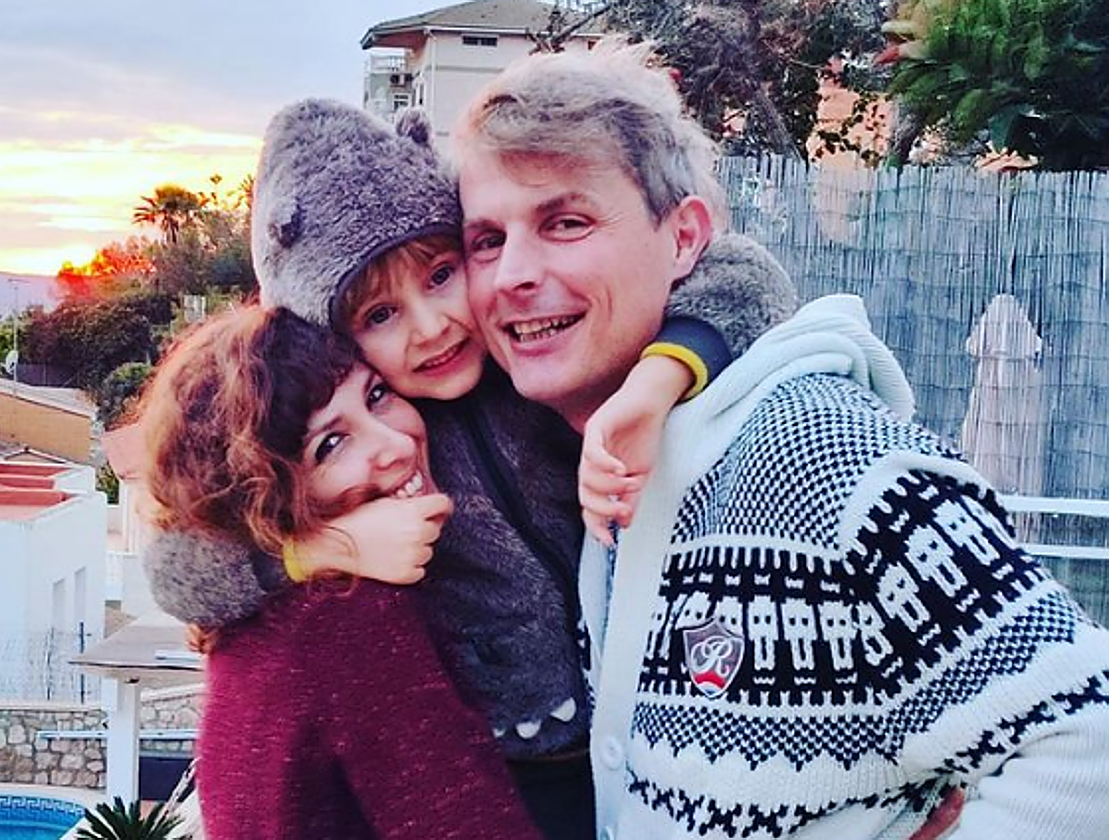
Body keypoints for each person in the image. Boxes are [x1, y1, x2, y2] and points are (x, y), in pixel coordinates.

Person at [451, 38, 1109, 839]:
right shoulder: (599, 461)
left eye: (566, 222)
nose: (512, 273)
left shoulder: (812, 450)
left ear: (684, 238)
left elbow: (1088, 741)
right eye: (486, 240)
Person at [142, 98, 782, 840]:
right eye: (379, 316)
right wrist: (325, 548)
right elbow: (175, 569)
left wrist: (655, 381)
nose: (432, 326)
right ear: (334, 340)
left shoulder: (537, 355)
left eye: (442, 275)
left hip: (650, 724)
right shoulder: (373, 458)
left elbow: (743, 274)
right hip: (518, 768)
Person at [136, 304, 542, 840]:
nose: (397, 445)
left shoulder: (263, 618)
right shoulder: (346, 617)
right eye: (330, 444)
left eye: (377, 395)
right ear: (267, 495)